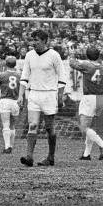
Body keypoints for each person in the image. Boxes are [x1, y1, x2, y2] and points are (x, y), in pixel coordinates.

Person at [18, 29, 67, 167]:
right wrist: (21, 95)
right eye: (33, 40)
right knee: (32, 125)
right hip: (34, 94)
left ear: (45, 41)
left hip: (49, 95)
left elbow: (62, 76)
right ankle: (29, 157)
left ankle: (50, 157)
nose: (34, 43)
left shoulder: (54, 55)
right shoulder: (29, 55)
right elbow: (24, 77)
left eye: (37, 40)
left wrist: (60, 95)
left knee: (49, 128)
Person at [69, 47, 103, 161]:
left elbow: (72, 64)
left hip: (89, 98)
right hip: (99, 99)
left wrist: (72, 54)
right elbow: (98, 63)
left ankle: (102, 144)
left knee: (84, 127)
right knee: (90, 127)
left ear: (88, 56)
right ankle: (86, 154)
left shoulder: (87, 65)